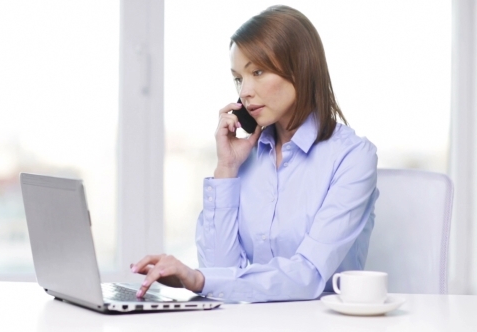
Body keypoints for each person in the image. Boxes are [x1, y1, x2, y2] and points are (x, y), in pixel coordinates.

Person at [131, 5, 378, 302]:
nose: (245, 91)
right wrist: (226, 169)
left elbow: (308, 276)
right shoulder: (245, 157)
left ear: (299, 68)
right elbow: (219, 273)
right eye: (239, 78)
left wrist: (198, 279)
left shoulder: (353, 157)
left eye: (257, 72)